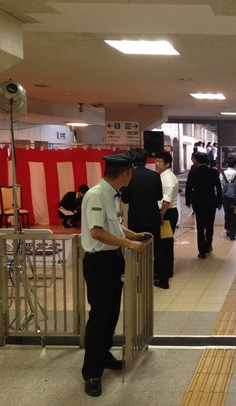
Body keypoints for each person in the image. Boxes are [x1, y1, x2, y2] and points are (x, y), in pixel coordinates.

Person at [80, 150, 150, 397]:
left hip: (112, 261)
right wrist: (131, 245)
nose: (131, 175)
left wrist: (134, 235)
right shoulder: (97, 195)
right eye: (130, 171)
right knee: (100, 316)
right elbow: (97, 232)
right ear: (124, 173)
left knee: (111, 313)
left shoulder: (111, 194)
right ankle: (91, 372)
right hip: (99, 263)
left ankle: (103, 354)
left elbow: (115, 226)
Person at [120, 148, 164, 287]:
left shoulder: (129, 176)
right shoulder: (155, 176)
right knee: (157, 247)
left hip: (135, 218)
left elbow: (125, 199)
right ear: (146, 160)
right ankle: (160, 277)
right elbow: (159, 197)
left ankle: (137, 277)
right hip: (152, 217)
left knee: (135, 246)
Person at [185, 152, 222, 259]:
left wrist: (188, 201)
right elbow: (218, 188)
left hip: (198, 202)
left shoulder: (193, 173)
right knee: (209, 225)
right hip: (211, 202)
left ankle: (202, 251)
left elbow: (188, 188)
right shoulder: (213, 172)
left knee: (200, 227)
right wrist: (220, 201)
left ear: (196, 160)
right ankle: (208, 245)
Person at [154, 151, 179, 289]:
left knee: (164, 244)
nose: (156, 164)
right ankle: (166, 271)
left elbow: (166, 200)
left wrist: (161, 216)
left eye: (159, 162)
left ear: (167, 164)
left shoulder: (168, 178)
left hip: (167, 213)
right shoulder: (163, 176)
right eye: (156, 161)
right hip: (167, 212)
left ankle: (165, 272)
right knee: (166, 243)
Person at [220, 156, 236, 240]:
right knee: (234, 215)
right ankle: (232, 235)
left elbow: (221, 188)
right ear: (235, 164)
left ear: (227, 164)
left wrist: (220, 199)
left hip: (226, 199)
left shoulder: (222, 174)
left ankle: (228, 229)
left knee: (227, 214)